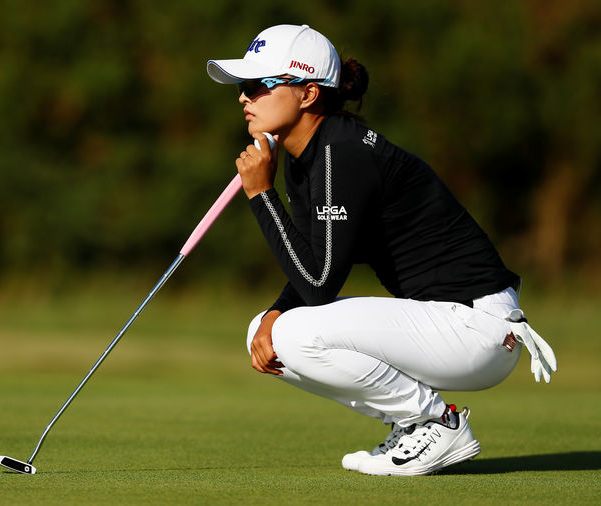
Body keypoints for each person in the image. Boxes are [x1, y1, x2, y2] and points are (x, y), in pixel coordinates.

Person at [206, 24, 557, 476]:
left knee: (293, 335)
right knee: (268, 330)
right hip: (451, 325)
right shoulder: (313, 154)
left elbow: (318, 287)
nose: (243, 97)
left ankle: (434, 421)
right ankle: (417, 425)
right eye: (241, 86)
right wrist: (275, 310)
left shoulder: (341, 153)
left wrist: (261, 196)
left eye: (257, 86)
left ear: (309, 93)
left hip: (477, 328)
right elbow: (322, 260)